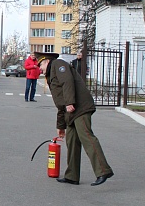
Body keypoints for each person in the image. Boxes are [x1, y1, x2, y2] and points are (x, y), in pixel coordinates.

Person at [36, 51, 114, 186]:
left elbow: (68, 81)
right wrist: (60, 126)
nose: (40, 69)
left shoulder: (58, 64)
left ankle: (103, 170)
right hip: (70, 111)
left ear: (47, 61)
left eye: (40, 65)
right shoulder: (50, 75)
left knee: (87, 137)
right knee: (71, 141)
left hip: (80, 108)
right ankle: (72, 175)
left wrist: (70, 102)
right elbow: (59, 102)